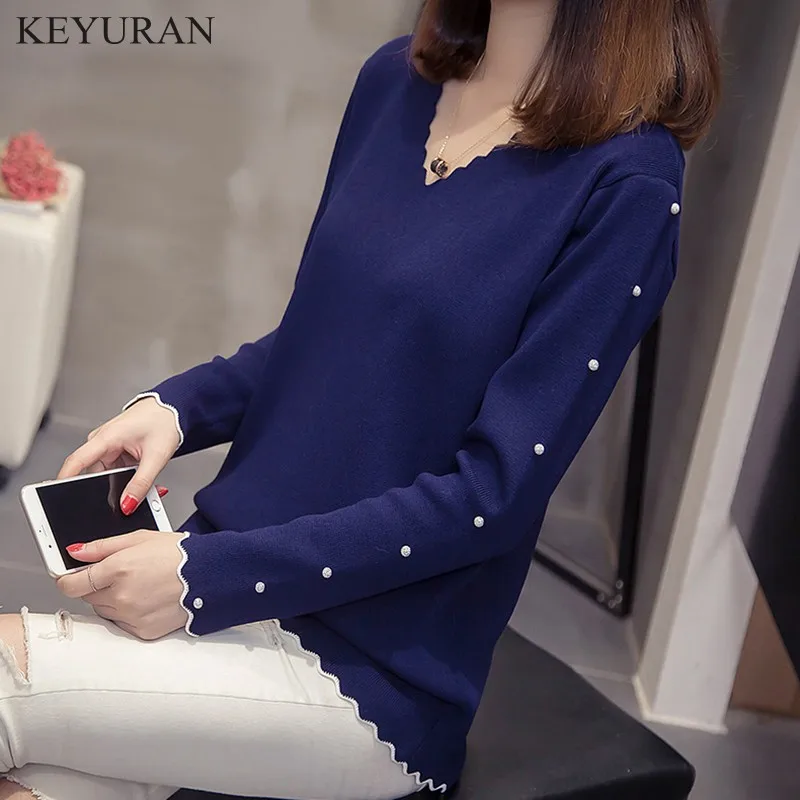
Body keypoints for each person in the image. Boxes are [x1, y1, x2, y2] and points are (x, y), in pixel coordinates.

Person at [0, 1, 720, 799]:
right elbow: (329, 334)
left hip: (369, 678)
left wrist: (208, 577)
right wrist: (177, 408)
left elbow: (492, 498)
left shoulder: (630, 183)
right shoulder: (394, 83)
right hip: (223, 578)